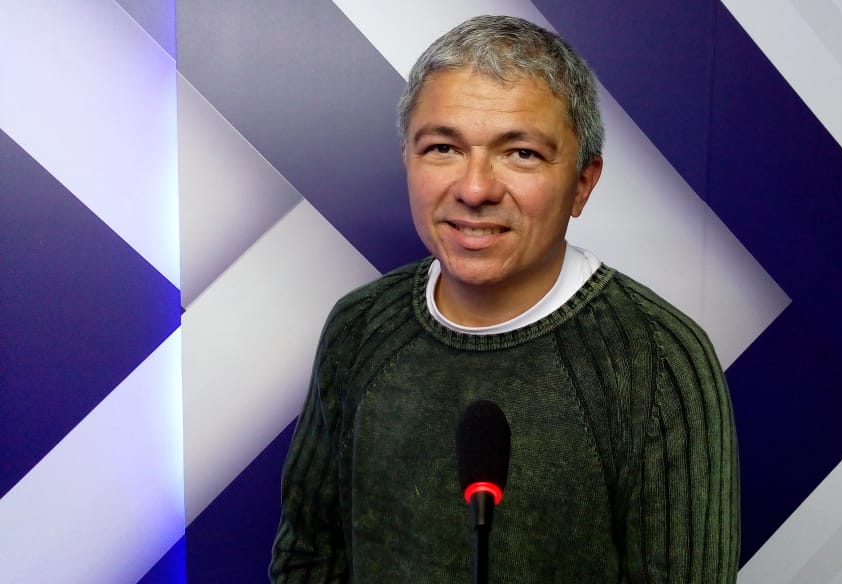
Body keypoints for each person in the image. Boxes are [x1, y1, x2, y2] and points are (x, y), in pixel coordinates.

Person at [270, 14, 739, 583]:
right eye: (443, 147)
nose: (475, 189)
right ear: (407, 160)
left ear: (583, 183)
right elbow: (308, 559)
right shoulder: (359, 326)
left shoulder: (658, 360)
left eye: (521, 154)